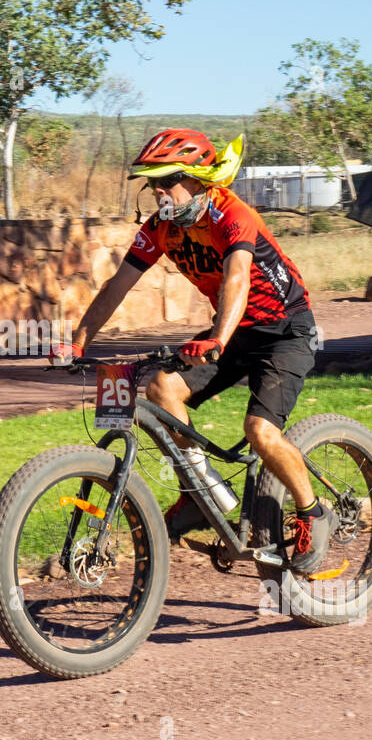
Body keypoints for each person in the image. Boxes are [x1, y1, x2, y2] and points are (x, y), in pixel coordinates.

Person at [49, 128, 336, 572]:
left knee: (260, 431)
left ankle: (312, 513)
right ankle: (199, 495)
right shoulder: (161, 229)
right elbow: (117, 287)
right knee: (161, 389)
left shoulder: (233, 215)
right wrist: (78, 341)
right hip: (234, 329)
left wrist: (217, 339)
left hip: (286, 332)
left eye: (167, 182)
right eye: (153, 184)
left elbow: (237, 279)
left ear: (199, 179)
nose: (158, 192)